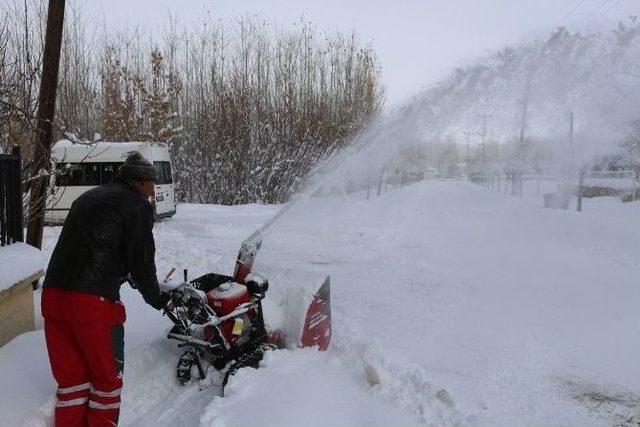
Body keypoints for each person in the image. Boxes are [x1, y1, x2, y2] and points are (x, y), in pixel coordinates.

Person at [42, 151, 169, 427]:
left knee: (72, 383)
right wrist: (158, 299)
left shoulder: (88, 197)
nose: (153, 191)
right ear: (141, 182)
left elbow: (96, 247)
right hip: (93, 303)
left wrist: (125, 273)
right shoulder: (137, 206)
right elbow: (142, 262)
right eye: (152, 184)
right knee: (107, 382)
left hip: (53, 296)